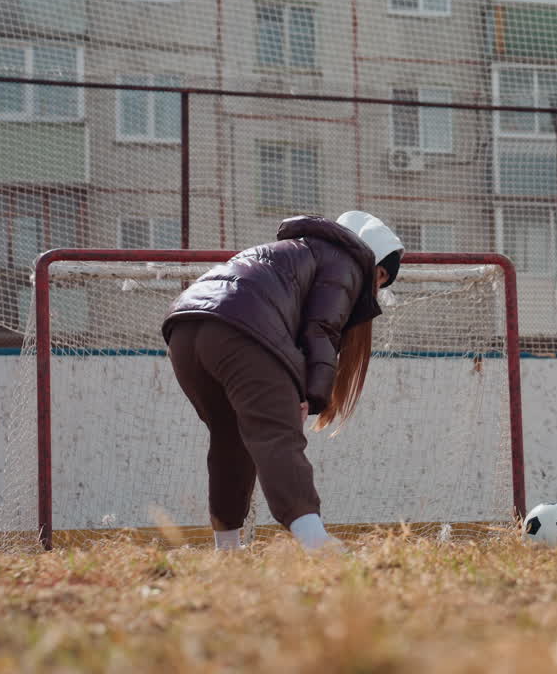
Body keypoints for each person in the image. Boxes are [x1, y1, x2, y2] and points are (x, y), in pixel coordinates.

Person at [162, 211, 404, 551]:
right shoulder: (346, 262)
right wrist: (312, 396)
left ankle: (227, 549)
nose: (376, 287)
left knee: (230, 440)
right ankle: (316, 543)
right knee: (277, 434)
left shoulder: (296, 251)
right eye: (380, 275)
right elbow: (322, 329)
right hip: (240, 330)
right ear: (370, 258)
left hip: (184, 331)